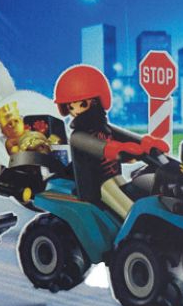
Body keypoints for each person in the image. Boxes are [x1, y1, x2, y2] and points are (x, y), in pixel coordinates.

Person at [53, 64, 169, 219]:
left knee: (140, 195)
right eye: (71, 107)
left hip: (114, 177)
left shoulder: (102, 127)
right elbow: (95, 146)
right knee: (133, 214)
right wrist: (118, 150)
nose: (76, 110)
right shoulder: (77, 136)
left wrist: (147, 144)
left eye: (82, 104)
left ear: (96, 101)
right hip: (96, 187)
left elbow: (125, 136)